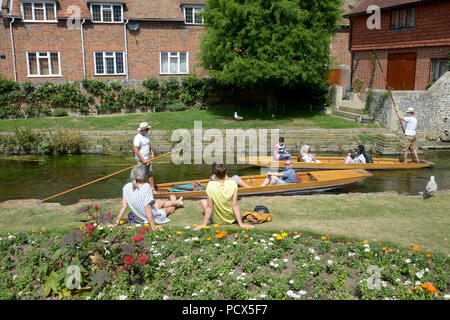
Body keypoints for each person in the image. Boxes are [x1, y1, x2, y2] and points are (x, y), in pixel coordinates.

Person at [109, 165, 183, 230]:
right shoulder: (146, 186)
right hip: (148, 218)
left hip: (138, 217)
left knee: (159, 202)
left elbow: (123, 206)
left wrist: (116, 223)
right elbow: (147, 208)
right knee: (170, 209)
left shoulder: (126, 187)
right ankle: (175, 202)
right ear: (143, 176)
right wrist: (153, 226)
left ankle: (176, 201)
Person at [195, 163, 253, 229]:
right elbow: (235, 205)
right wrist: (241, 224)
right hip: (232, 219)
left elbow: (209, 207)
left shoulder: (210, 185)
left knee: (203, 200)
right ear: (226, 172)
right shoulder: (233, 183)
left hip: (217, 221)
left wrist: (204, 225)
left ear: (214, 175)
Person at [133, 122, 156, 191]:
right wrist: (142, 159)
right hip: (141, 160)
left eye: (148, 129)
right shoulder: (137, 138)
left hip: (148, 158)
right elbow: (136, 150)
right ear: (142, 130)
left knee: (150, 173)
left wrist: (152, 153)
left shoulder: (147, 135)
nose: (148, 130)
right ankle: (141, 189)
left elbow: (149, 145)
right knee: (141, 175)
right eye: (147, 129)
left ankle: (152, 189)